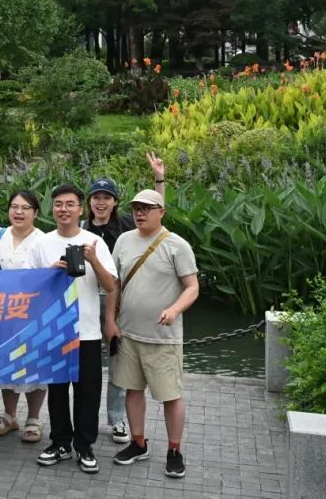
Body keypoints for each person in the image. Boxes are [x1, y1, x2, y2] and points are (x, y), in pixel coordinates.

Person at [106, 189, 199, 479]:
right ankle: (138, 442)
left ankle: (174, 450)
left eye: (146, 208)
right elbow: (114, 284)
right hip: (128, 333)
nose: (139, 213)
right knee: (132, 390)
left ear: (161, 212)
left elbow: (192, 287)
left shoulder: (177, 245)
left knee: (171, 395)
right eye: (136, 208)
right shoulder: (123, 240)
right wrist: (110, 320)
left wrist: (174, 309)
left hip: (163, 338)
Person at [30, 184, 117, 474]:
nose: (63, 209)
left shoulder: (94, 241)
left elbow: (110, 286)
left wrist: (93, 260)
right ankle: (60, 442)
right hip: (53, 330)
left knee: (87, 391)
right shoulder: (41, 243)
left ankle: (84, 445)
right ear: (52, 208)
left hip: (87, 330)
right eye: (58, 204)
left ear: (81, 209)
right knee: (56, 389)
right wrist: (49, 273)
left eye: (70, 204)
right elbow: (28, 288)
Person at [83, 152, 166, 443]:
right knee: (86, 365)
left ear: (115, 202)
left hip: (120, 304)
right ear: (89, 202)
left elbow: (156, 210)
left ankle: (116, 419)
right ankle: (84, 417)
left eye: (106, 197)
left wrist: (159, 178)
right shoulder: (81, 230)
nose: (101, 202)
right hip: (87, 302)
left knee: (119, 364)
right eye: (96, 197)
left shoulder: (128, 226)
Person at [0, 189, 47, 443]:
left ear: (35, 213)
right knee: (6, 365)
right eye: (14, 207)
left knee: (33, 366)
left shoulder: (43, 240)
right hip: (1, 313)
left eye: (25, 208)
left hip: (32, 313)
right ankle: (9, 415)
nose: (19, 212)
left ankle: (34, 418)